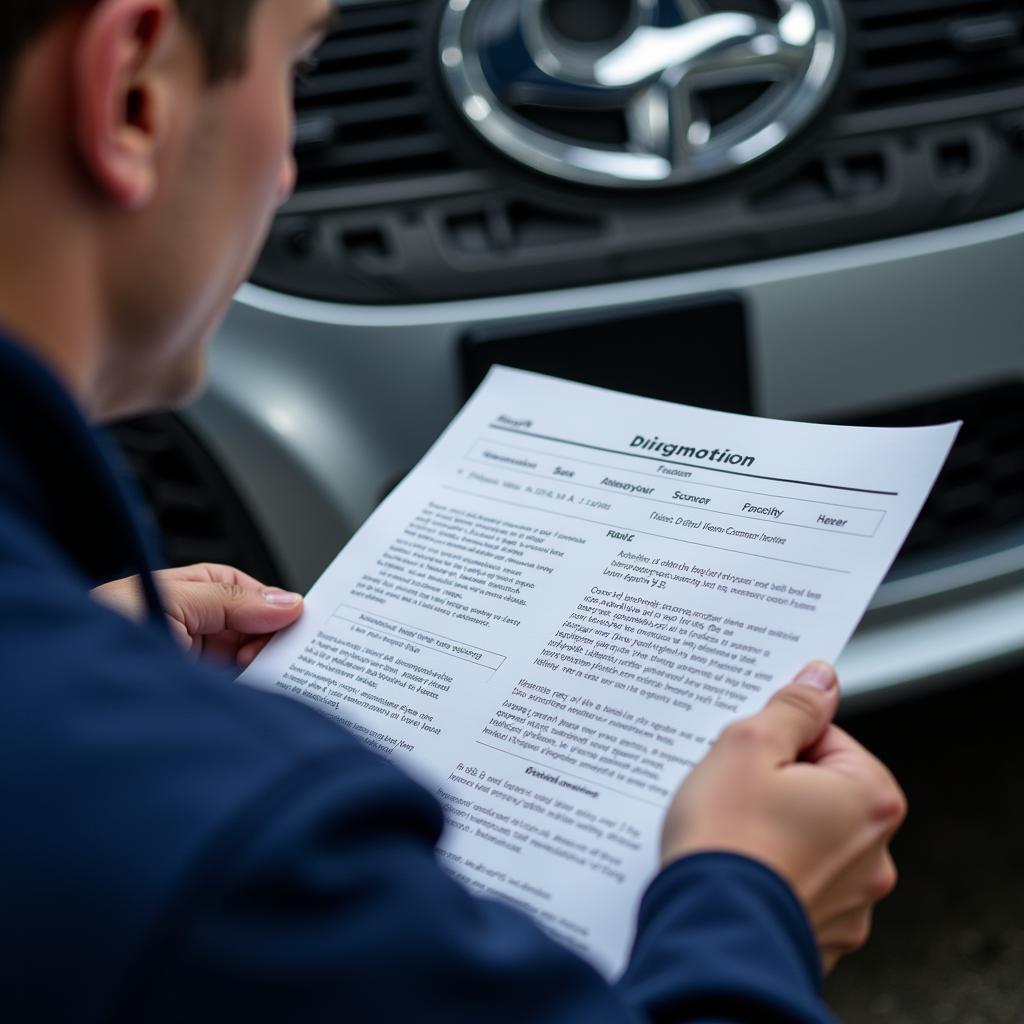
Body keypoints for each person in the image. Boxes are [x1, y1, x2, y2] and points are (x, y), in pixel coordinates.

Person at [0, 1, 905, 1020]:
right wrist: (753, 906)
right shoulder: (220, 846)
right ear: (131, 95)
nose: (287, 168)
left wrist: (74, 653)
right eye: (296, 68)